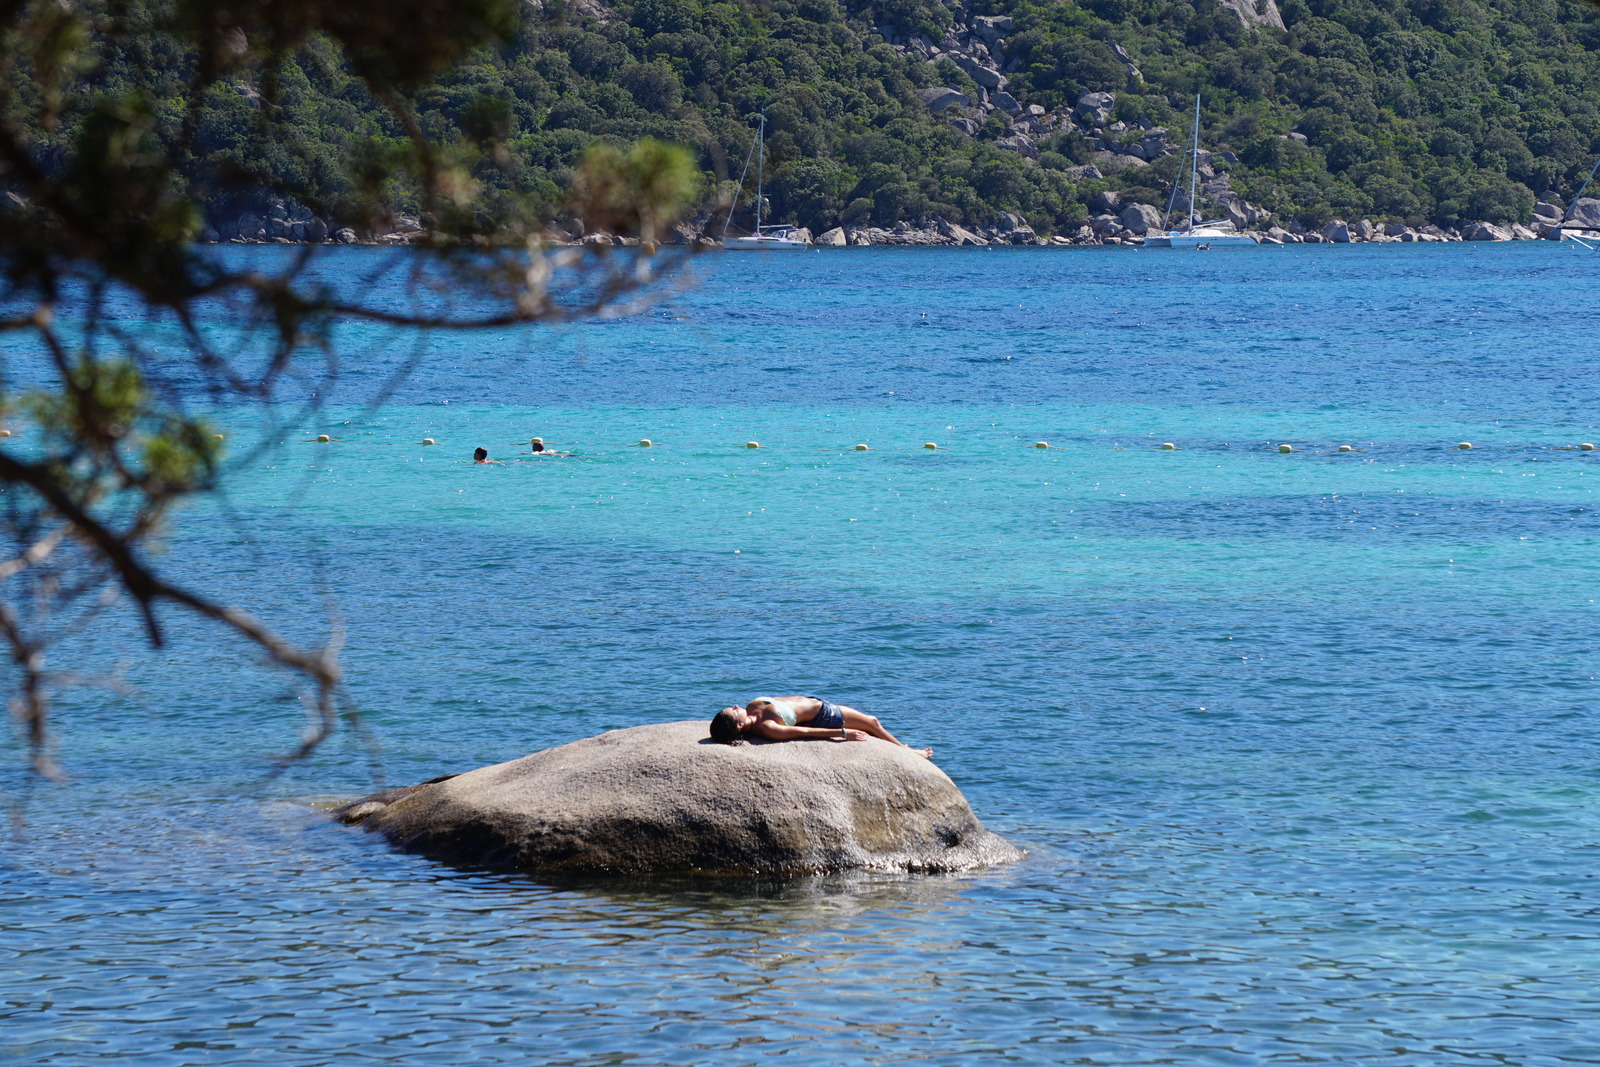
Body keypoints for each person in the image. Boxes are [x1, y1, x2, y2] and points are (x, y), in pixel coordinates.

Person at [709, 695, 932, 758]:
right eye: (733, 709)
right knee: (872, 722)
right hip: (825, 715)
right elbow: (806, 731)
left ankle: (905, 749)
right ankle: (907, 752)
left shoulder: (751, 705)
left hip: (817, 702)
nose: (736, 705)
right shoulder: (768, 728)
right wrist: (843, 733)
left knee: (871, 721)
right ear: (738, 725)